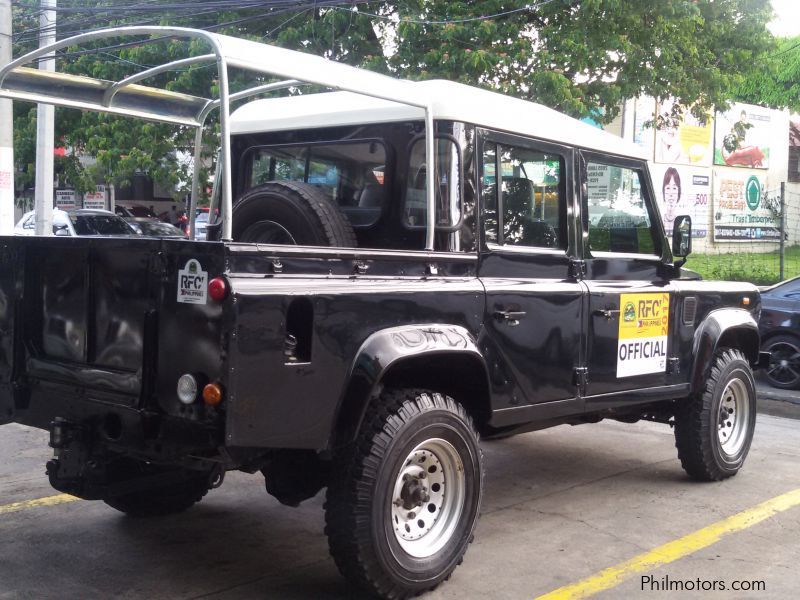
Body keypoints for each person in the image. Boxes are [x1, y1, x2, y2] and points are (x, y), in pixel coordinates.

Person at [662, 167, 681, 231]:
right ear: (663, 192)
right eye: (668, 188)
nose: (671, 193)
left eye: (674, 188)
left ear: (679, 192)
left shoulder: (682, 223)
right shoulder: (658, 221)